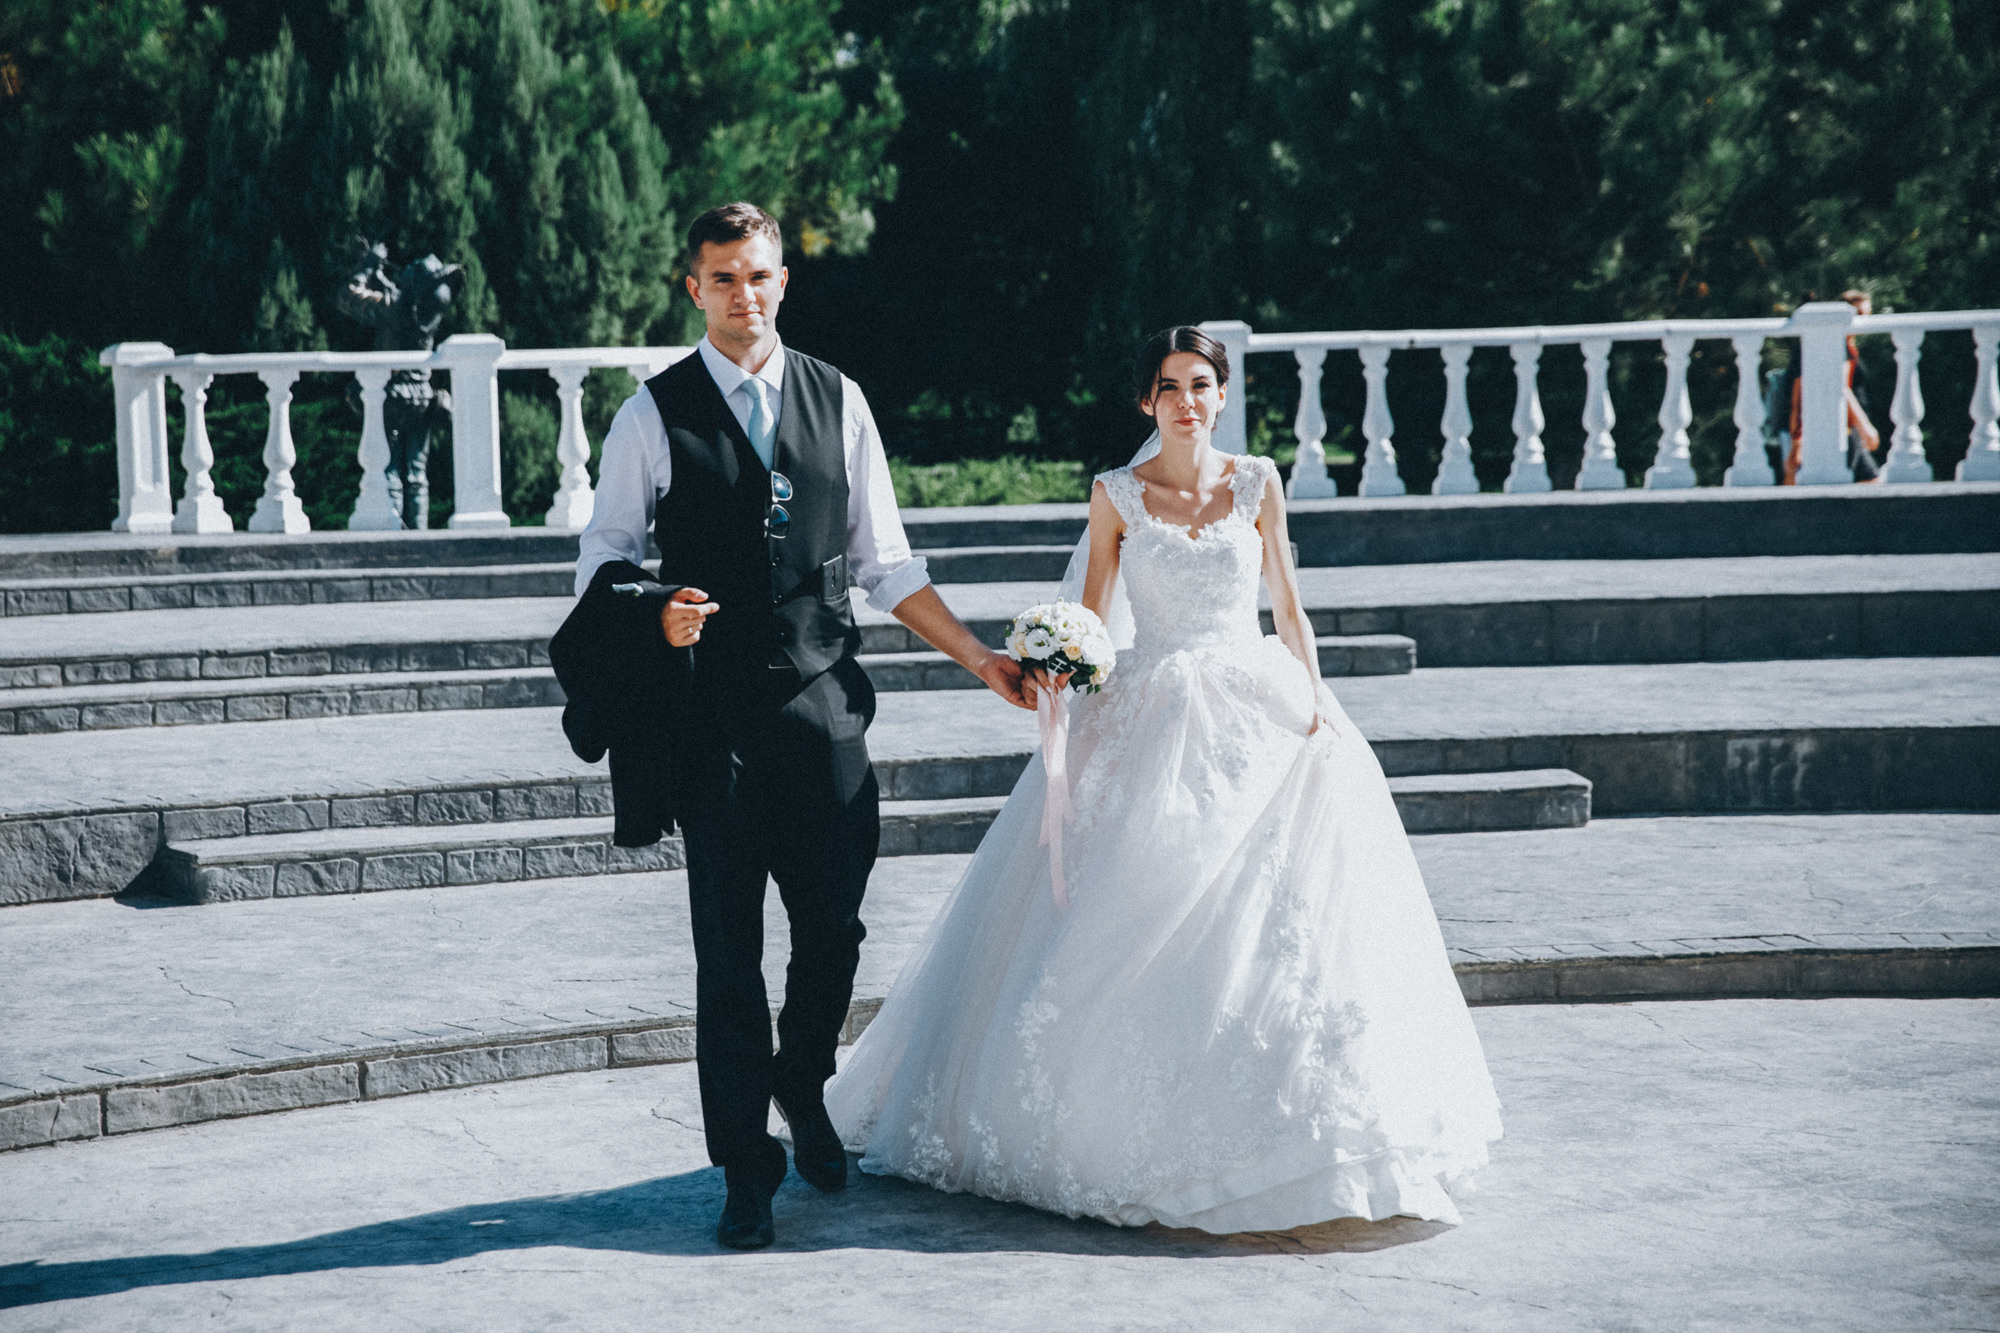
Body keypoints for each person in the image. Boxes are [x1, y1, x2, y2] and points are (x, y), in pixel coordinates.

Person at [826, 326, 1502, 1233]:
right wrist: (1062, 669)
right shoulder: (1116, 496)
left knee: (1278, 912)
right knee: (1138, 894)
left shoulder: (1258, 481)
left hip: (1251, 694)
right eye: (1169, 386)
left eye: (1201, 383)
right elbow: (1094, 618)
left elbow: (1290, 608)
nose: (1187, 399)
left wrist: (1319, 702)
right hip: (1156, 703)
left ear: (1222, 394)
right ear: (1147, 401)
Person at [556, 203, 1030, 1251]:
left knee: (835, 929)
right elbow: (602, 559)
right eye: (722, 278)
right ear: (693, 288)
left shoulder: (837, 396)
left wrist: (981, 658)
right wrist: (653, 608)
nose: (744, 294)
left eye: (759, 275)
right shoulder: (651, 414)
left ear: (783, 280)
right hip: (709, 721)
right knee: (727, 955)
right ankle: (745, 1164)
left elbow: (888, 563)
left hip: (822, 708)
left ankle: (801, 1080)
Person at [1783, 288, 1883, 484]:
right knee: (1870, 484)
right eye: (1859, 314)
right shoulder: (1839, 346)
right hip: (1842, 426)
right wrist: (1865, 427)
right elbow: (1839, 387)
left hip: (1845, 426)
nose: (1864, 320)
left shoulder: (1849, 347)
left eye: (1867, 314)